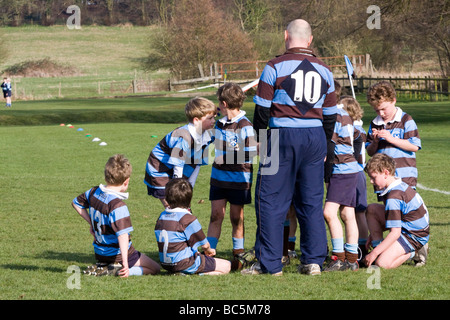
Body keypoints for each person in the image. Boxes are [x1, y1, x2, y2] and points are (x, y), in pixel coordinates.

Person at [243, 19, 338, 276]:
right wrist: (324, 143)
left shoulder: (274, 66)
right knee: (311, 201)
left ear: (286, 36)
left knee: (270, 200)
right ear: (310, 40)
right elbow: (330, 115)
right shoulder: (325, 70)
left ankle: (270, 264)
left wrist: (262, 140)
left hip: (279, 137)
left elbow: (261, 110)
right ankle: (314, 261)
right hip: (315, 137)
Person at [365, 81, 426, 264]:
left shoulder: (406, 120)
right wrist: (375, 141)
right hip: (383, 180)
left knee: (404, 215)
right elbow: (369, 150)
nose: (381, 114)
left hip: (404, 177)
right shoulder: (374, 124)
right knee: (389, 213)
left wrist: (391, 138)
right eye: (377, 110)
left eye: (383, 109)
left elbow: (414, 145)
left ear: (393, 100)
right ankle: (379, 249)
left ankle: (417, 247)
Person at [72, 154, 160, 277]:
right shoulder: (118, 206)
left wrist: (91, 223)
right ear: (126, 181)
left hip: (99, 252)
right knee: (155, 268)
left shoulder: (93, 192)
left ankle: (106, 266)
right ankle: (117, 270)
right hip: (116, 254)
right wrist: (125, 263)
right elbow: (123, 236)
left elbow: (76, 203)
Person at [206, 83, 257, 269]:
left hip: (238, 180)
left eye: (219, 102)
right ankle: (208, 253)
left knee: (237, 218)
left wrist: (225, 156)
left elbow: (250, 153)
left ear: (224, 103)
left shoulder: (245, 125)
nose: (218, 105)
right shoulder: (219, 123)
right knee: (215, 216)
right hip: (218, 179)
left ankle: (238, 256)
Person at [144, 97, 216, 209]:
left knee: (184, 206)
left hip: (179, 168)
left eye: (214, 117)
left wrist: (188, 190)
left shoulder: (207, 134)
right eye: (210, 118)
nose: (214, 121)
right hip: (159, 170)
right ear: (196, 120)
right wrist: (179, 190)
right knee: (173, 207)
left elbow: (196, 164)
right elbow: (178, 165)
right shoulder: (183, 137)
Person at [363, 153, 429, 269]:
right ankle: (379, 248)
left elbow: (395, 232)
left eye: (373, 177)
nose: (371, 182)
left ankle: (414, 252)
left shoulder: (394, 196)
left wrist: (373, 253)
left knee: (382, 264)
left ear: (386, 173)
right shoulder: (396, 185)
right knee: (372, 209)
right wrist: (372, 235)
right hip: (407, 226)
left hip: (414, 235)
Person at [154, 178, 231, 275]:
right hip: (184, 263)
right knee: (227, 266)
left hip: (166, 264)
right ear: (189, 200)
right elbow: (205, 245)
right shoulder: (188, 219)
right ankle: (192, 274)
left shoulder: (162, 216)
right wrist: (210, 251)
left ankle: (183, 272)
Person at [323, 96, 363, 271]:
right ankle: (352, 259)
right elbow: (359, 137)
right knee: (347, 214)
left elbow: (330, 147)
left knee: (329, 213)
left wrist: (326, 173)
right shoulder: (344, 114)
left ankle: (338, 257)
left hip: (341, 170)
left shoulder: (334, 115)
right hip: (349, 168)